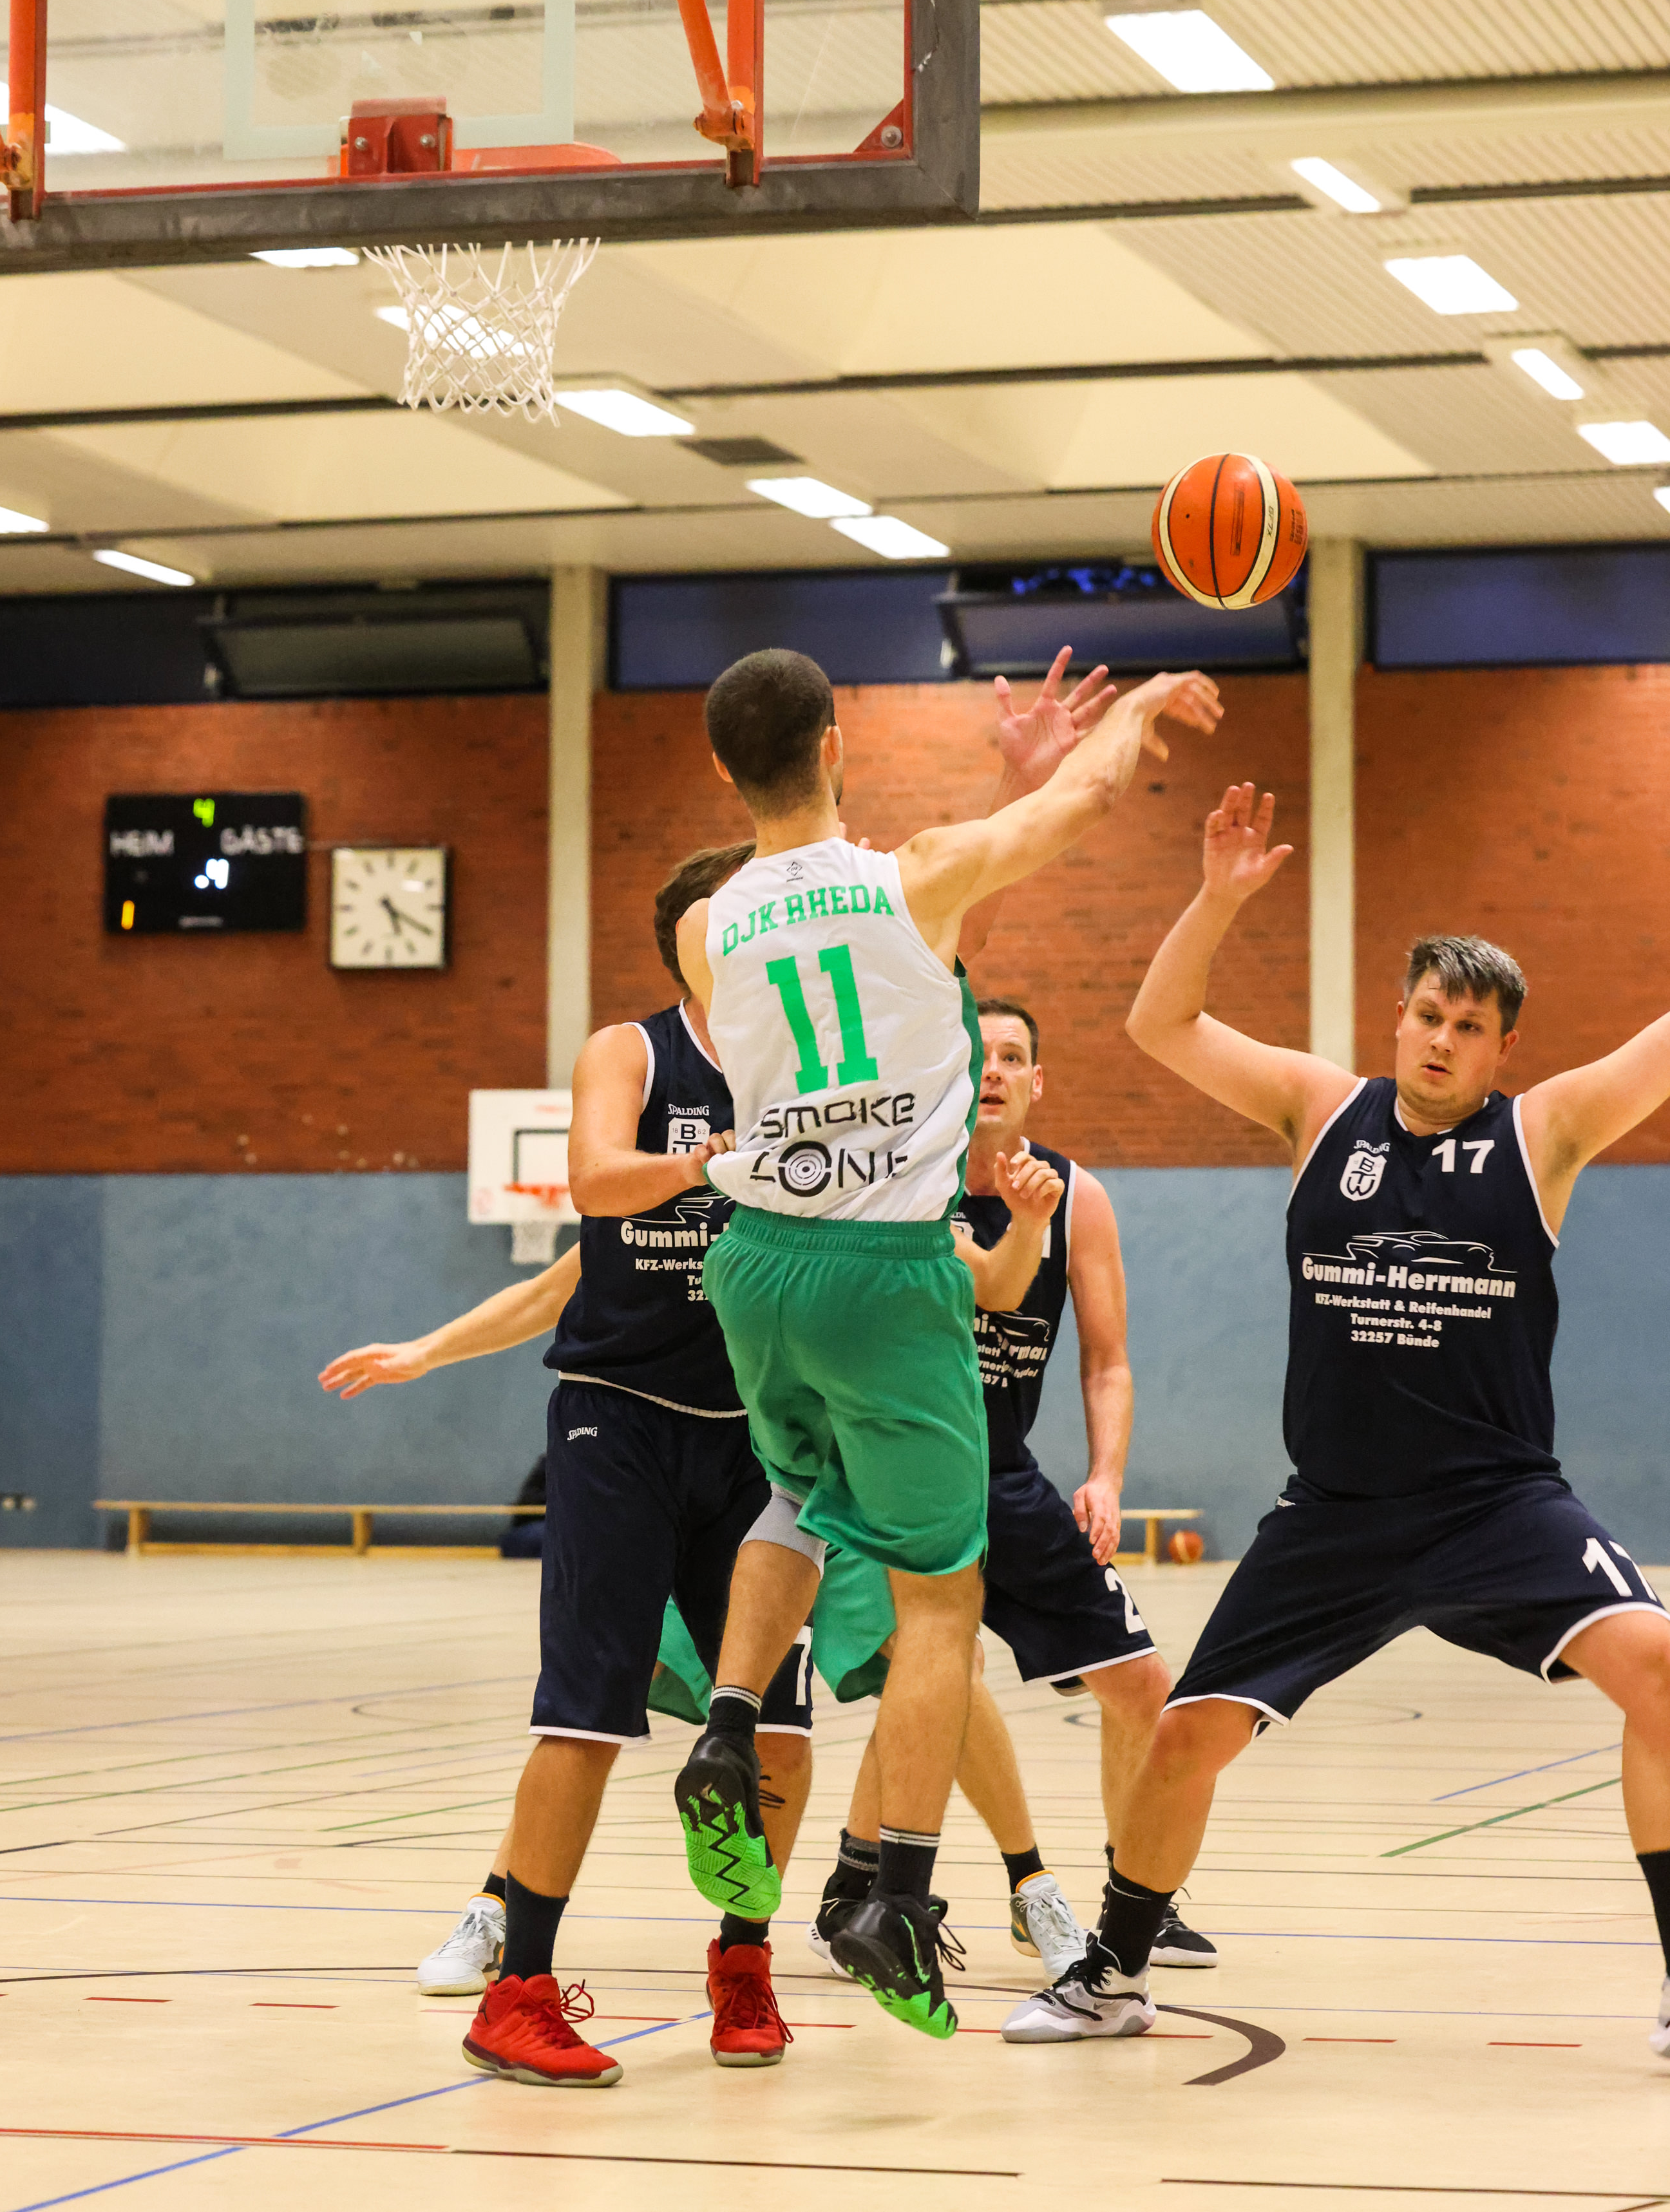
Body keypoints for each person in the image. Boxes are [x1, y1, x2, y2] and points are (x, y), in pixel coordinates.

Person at [1026, 781, 1670, 2057]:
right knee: (1182, 1738)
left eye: (1467, 1026)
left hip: (1497, 1504)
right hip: (1334, 1512)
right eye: (1427, 1013)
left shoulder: (1541, 1134)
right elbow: (1159, 1025)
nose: (1440, 1039)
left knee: (1655, 1673)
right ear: (1398, 1017)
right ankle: (1111, 1974)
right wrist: (1216, 899)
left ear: (1499, 1050)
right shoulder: (1320, 1109)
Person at [667, 645, 1222, 2038]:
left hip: (753, 1260)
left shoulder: (708, 925)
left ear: (722, 768)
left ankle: (729, 1722)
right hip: (883, 1268)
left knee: (795, 1492)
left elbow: (885, 952)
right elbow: (1073, 815)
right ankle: (892, 1892)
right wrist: (1131, 714)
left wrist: (1000, 789)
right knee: (939, 1603)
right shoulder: (913, 874)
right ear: (836, 744)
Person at [321, 842, 815, 2088]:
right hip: (617, 1421)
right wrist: (430, 1350)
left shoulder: (807, 1066)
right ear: (684, 936)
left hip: (758, 1434)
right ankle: (519, 1989)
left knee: (777, 1728)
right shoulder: (633, 1053)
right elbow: (592, 1193)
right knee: (585, 1711)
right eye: (720, 911)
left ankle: (743, 1964)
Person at [807, 997, 1215, 2001]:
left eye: (1011, 1055)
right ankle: (858, 1893)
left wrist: (1105, 1475)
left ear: (1037, 1081)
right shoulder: (903, 1178)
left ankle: (1137, 1895)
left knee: (1143, 1686)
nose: (991, 1068)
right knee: (933, 1676)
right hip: (899, 1472)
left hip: (1003, 1473)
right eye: (974, 1051)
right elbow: (985, 1288)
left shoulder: (1079, 1196)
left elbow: (1107, 1361)